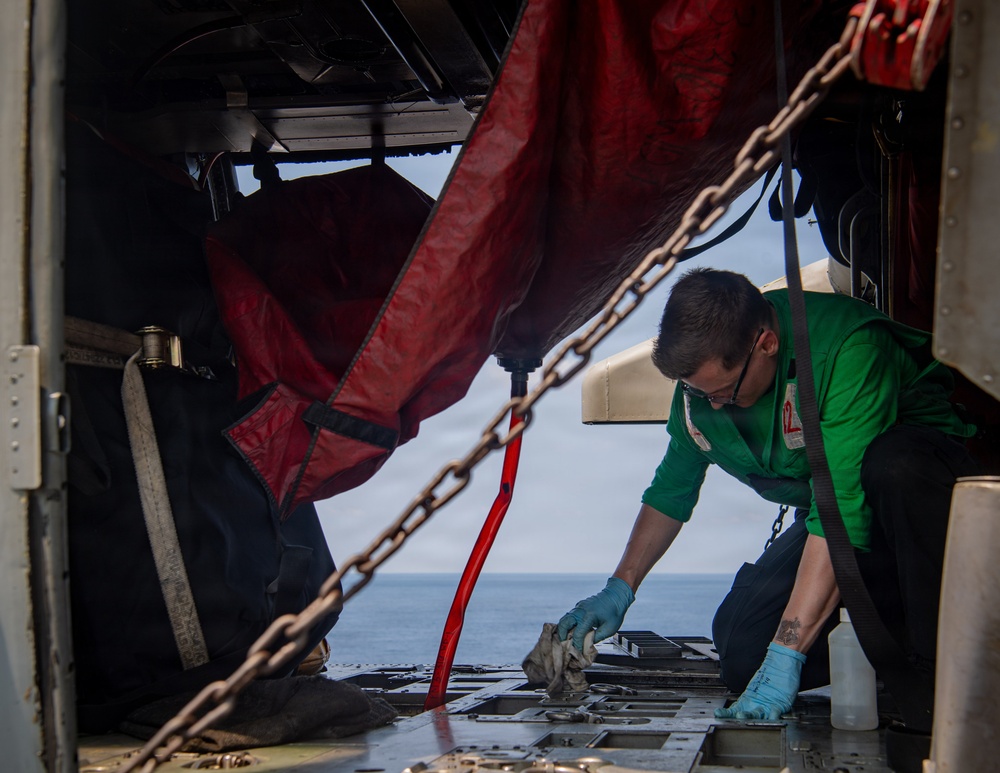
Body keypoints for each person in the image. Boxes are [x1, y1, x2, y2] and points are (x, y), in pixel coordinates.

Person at [557, 268, 979, 720]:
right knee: (741, 652)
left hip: (928, 514)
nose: (712, 405)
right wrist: (619, 589)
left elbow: (842, 510)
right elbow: (671, 491)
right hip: (829, 519)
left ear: (766, 345)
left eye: (723, 392)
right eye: (700, 392)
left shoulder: (848, 347)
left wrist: (789, 651)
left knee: (895, 467)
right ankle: (882, 639)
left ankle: (939, 669)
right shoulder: (700, 396)